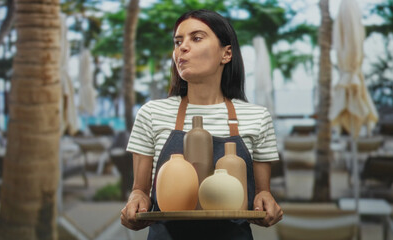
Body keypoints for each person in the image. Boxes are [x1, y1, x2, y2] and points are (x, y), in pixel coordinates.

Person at [121, 9, 283, 239]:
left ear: (226, 54)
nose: (182, 48)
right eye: (178, 41)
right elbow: (140, 190)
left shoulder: (257, 117)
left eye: (196, 38)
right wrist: (136, 200)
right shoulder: (151, 114)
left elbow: (262, 193)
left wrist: (265, 202)